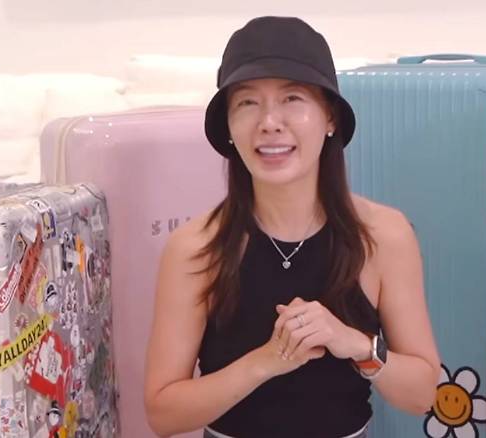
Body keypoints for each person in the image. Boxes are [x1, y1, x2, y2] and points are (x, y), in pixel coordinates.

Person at [144, 16, 440, 438]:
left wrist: (355, 344)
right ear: (229, 127)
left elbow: (423, 394)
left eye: (292, 98)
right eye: (247, 103)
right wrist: (266, 361)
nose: (269, 122)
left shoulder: (384, 235)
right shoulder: (195, 247)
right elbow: (163, 413)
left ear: (330, 117)